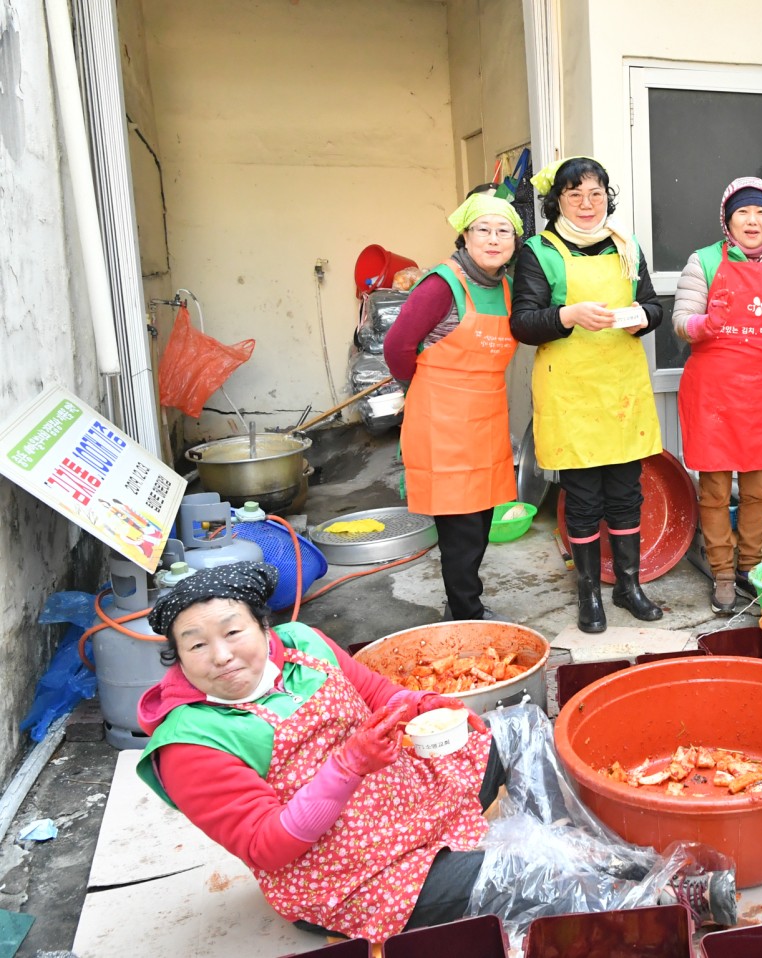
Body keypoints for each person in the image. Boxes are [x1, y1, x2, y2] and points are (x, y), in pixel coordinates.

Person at [135, 563, 497, 944]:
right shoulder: (189, 743)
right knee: (519, 876)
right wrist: (348, 767)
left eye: (232, 632)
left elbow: (375, 693)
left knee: (507, 735)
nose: (221, 655)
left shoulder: (300, 643)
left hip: (409, 800)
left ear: (263, 626)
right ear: (179, 657)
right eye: (196, 645)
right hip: (346, 878)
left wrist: (419, 704)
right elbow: (265, 844)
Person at [511, 156, 665, 633]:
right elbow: (523, 323)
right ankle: (588, 593)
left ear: (607, 198)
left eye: (595, 193)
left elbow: (653, 304)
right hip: (570, 391)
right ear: (557, 201)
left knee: (626, 494)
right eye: (574, 194)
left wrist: (644, 317)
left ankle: (628, 586)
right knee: (582, 499)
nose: (586, 203)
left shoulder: (626, 246)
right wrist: (568, 315)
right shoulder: (539, 251)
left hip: (621, 388)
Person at [673, 177, 762, 614]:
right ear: (727, 220)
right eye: (743, 212)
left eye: (761, 213)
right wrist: (705, 325)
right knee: (714, 490)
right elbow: (681, 321)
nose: (752, 221)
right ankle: (723, 574)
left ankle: (750, 567)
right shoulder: (704, 260)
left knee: (757, 490)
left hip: (760, 390)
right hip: (712, 390)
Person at [385, 190, 521, 621]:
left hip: (486, 418)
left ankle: (463, 605)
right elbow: (397, 347)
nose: (493, 239)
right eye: (484, 230)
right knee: (460, 529)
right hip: (443, 420)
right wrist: (418, 385)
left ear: (515, 241)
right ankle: (466, 614)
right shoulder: (440, 285)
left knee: (479, 522)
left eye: (504, 231)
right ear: (465, 236)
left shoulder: (506, 287)